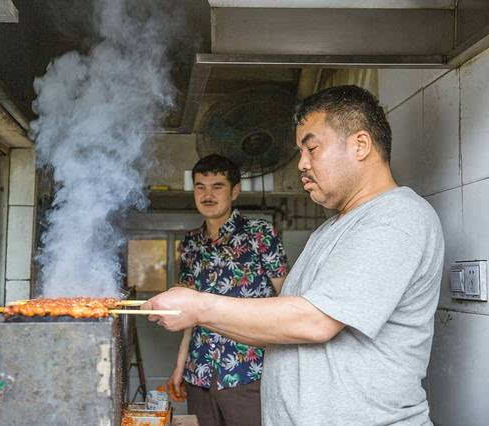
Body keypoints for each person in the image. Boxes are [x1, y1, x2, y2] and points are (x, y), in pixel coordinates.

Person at [145, 85, 445, 425]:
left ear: (360, 145)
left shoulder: (396, 216)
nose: (301, 164)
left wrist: (199, 306)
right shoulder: (330, 230)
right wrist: (195, 318)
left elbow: (315, 321)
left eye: (311, 148)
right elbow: (280, 323)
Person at [167, 154, 288, 426]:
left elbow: (286, 298)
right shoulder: (190, 244)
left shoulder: (260, 234)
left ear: (234, 191)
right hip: (198, 373)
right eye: (200, 186)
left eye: (217, 186)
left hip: (248, 371)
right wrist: (180, 366)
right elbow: (189, 312)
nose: (207, 194)